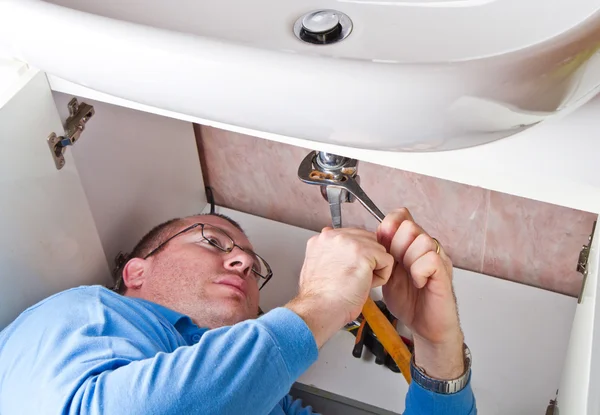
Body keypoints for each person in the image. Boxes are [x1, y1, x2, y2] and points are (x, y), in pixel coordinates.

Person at [0, 208, 476, 414]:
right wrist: (320, 305)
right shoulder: (83, 313)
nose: (244, 261)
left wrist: (438, 346)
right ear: (137, 272)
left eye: (253, 267)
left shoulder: (271, 403)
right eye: (211, 241)